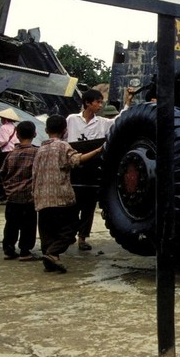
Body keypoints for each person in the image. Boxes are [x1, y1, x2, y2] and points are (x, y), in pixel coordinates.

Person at [32, 114, 104, 273]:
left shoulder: (40, 150)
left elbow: (34, 174)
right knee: (70, 231)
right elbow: (77, 160)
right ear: (65, 130)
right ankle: (53, 253)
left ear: (45, 130)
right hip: (61, 197)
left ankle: (50, 260)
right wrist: (98, 150)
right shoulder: (63, 147)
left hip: (42, 198)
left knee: (46, 232)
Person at [66, 89, 115, 251]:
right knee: (72, 204)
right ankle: (70, 234)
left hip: (93, 169)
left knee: (89, 206)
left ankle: (82, 238)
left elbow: (120, 119)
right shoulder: (72, 119)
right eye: (98, 102)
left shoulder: (102, 122)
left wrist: (128, 102)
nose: (100, 105)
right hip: (74, 167)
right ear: (88, 103)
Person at [0, 120, 39, 261]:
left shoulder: (11, 154)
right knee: (28, 225)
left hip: (12, 197)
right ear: (35, 134)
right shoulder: (36, 153)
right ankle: (25, 251)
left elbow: (2, 172)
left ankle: (9, 249)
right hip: (29, 197)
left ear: (17, 134)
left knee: (11, 224)